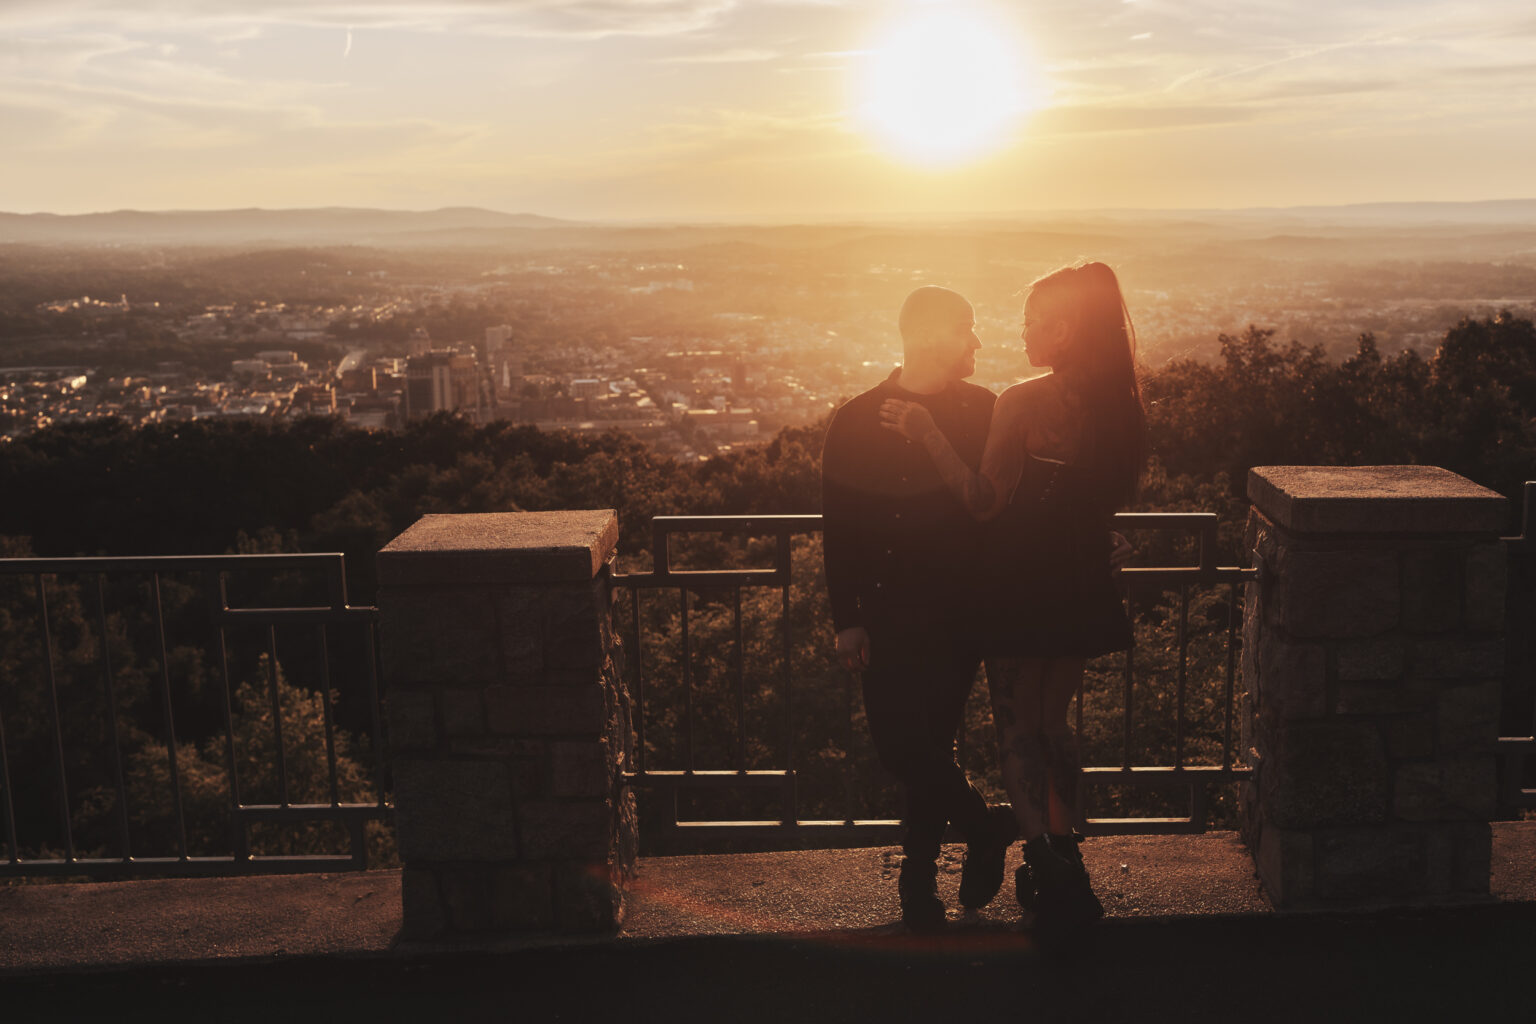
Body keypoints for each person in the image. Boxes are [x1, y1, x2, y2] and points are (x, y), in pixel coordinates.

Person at [878, 261, 1145, 943]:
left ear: (1062, 330)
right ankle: (1067, 855)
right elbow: (1102, 504)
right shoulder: (1119, 404)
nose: (1021, 331)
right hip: (1080, 581)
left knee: (1018, 733)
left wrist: (925, 431)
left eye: (1032, 320)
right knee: (1055, 726)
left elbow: (984, 501)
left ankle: (1048, 868)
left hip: (1019, 584)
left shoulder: (1025, 400)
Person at [820, 285, 1016, 931]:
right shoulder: (855, 418)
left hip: (962, 609)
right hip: (885, 611)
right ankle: (983, 827)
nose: (978, 344)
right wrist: (846, 617)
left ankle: (917, 883)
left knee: (928, 744)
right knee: (901, 747)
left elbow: (1005, 502)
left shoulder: (985, 410)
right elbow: (840, 526)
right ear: (931, 335)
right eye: (968, 328)